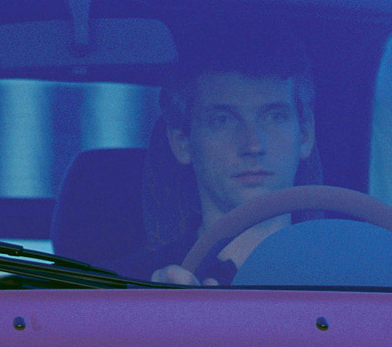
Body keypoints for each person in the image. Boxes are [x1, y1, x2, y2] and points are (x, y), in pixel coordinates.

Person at [130, 35, 322, 285]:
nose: (253, 145)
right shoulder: (127, 290)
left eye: (275, 117)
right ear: (182, 143)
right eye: (223, 120)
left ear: (305, 134)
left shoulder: (361, 275)